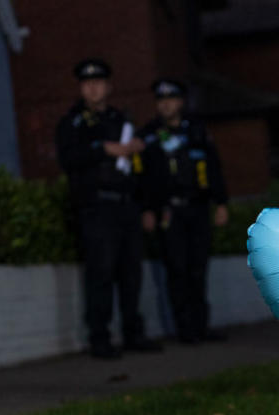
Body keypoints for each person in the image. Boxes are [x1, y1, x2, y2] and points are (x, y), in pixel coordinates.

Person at [55, 58, 161, 359]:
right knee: (100, 272)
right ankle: (99, 338)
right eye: (87, 83)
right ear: (81, 88)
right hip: (96, 207)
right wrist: (102, 148)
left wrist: (146, 207)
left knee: (131, 272)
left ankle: (133, 333)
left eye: (98, 82)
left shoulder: (121, 120)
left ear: (109, 87)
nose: (92, 87)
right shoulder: (72, 122)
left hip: (126, 206)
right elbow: (68, 158)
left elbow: (138, 170)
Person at [139, 78, 229, 344]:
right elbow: (143, 178)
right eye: (161, 100)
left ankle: (201, 326)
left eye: (171, 99)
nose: (166, 104)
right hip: (169, 211)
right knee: (176, 269)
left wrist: (221, 202)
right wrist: (147, 209)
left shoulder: (197, 131)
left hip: (198, 208)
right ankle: (185, 330)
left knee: (198, 269)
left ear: (180, 102)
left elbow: (214, 168)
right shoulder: (149, 136)